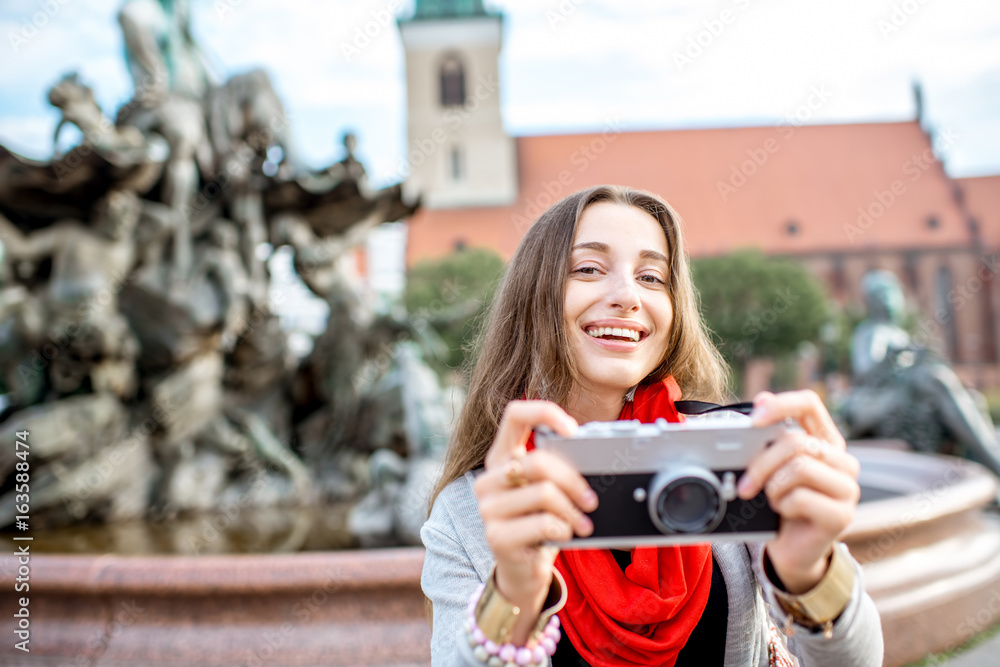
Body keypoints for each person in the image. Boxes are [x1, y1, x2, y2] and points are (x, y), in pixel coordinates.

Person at [421, 185, 883, 666]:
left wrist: (812, 571)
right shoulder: (470, 513)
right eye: (588, 269)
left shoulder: (734, 456)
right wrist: (514, 591)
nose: (627, 296)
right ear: (533, 297)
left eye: (651, 276)